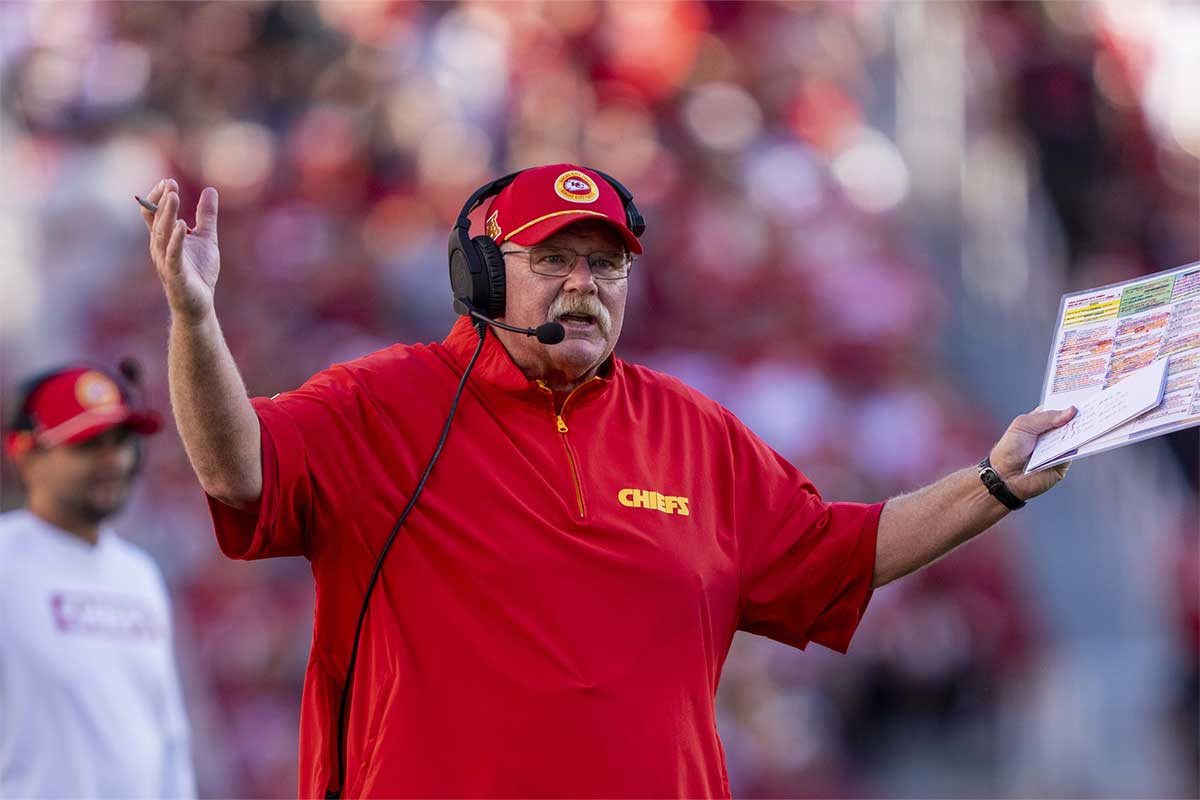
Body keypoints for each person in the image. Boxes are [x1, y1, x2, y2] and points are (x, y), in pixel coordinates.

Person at [140, 164, 1074, 798]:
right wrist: (195, 318)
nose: (584, 284)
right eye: (551, 259)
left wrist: (990, 482)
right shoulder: (380, 402)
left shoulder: (691, 427)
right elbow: (234, 467)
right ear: (478, 275)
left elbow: (840, 551)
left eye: (607, 263)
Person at [0, 363, 197, 798]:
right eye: (87, 443)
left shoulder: (139, 576)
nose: (113, 459)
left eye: (121, 441)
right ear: (25, 453)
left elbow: (168, 735)